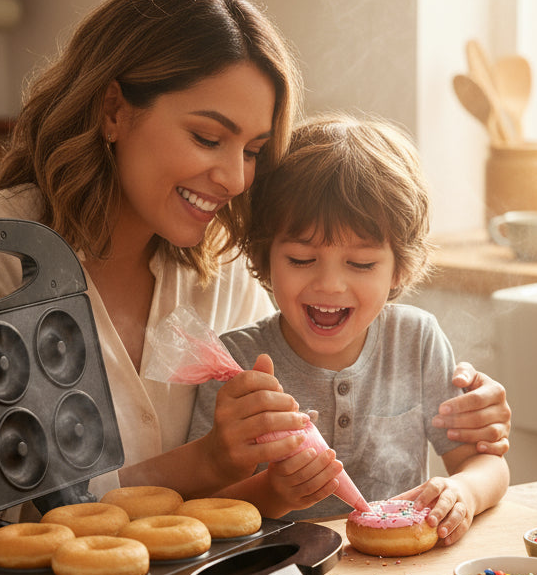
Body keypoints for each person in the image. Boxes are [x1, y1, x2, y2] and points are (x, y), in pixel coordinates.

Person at [0, 0, 509, 575]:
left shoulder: (224, 271)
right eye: (209, 137)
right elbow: (13, 529)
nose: (236, 178)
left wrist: (465, 415)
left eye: (255, 150)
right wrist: (206, 463)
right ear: (113, 111)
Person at [188, 113, 509, 544]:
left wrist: (464, 492)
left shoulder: (416, 341)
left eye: (361, 264)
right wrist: (273, 492)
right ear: (264, 258)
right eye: (302, 260)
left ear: (401, 268)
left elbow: (487, 464)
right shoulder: (237, 365)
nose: (329, 284)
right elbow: (200, 509)